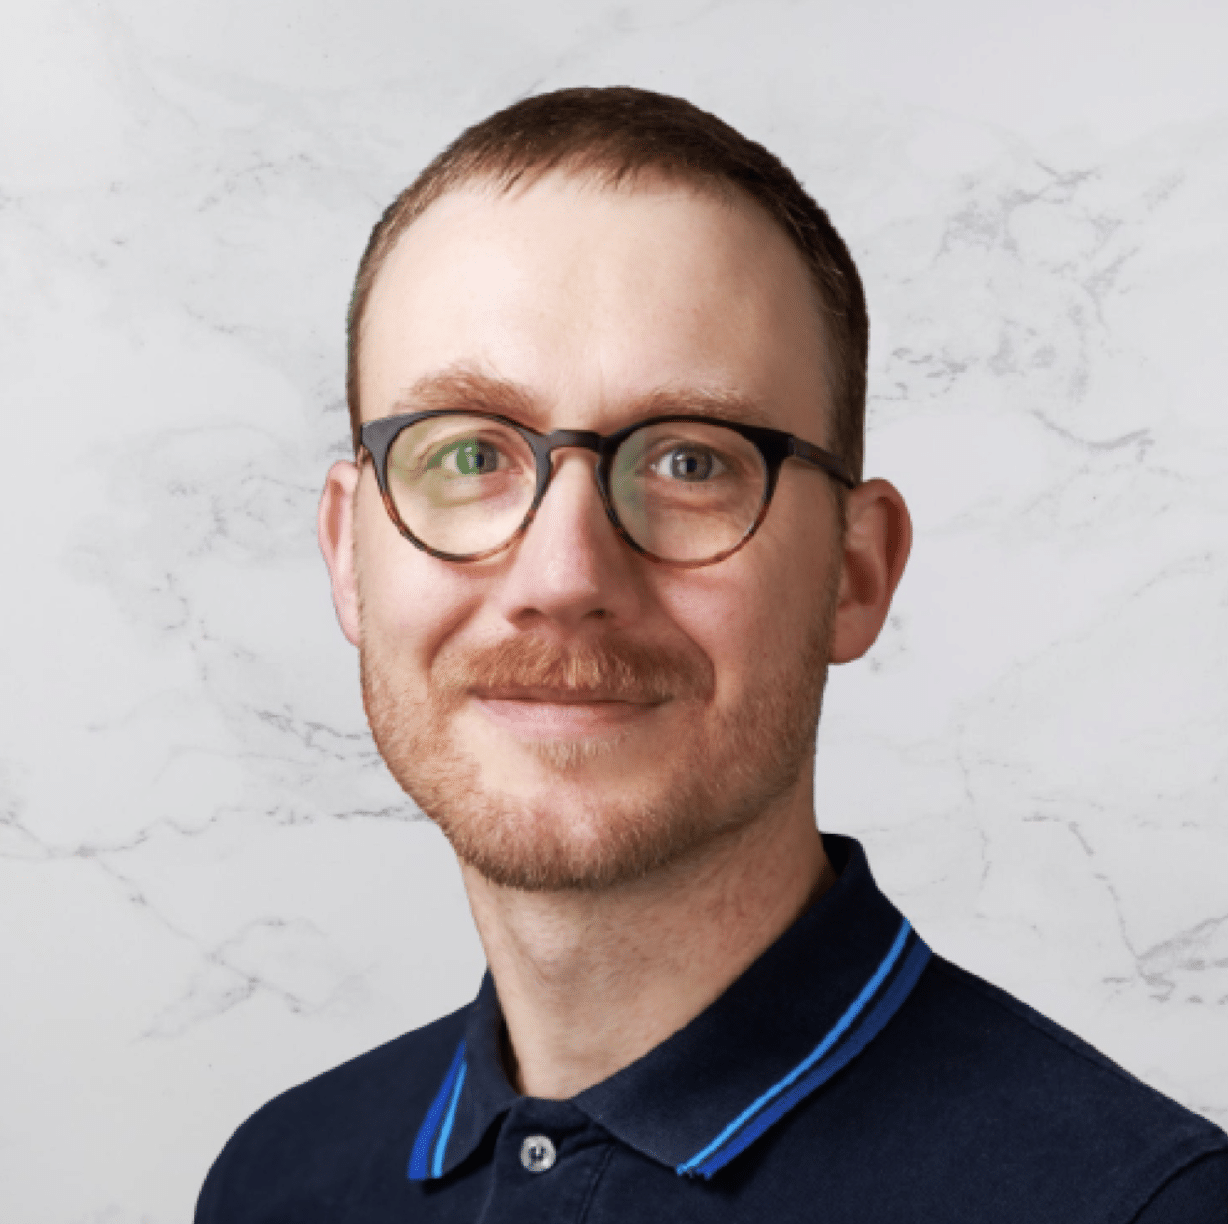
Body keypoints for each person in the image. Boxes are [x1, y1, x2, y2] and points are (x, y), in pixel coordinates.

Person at [194, 87, 1227, 1222]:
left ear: (855, 571)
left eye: (689, 461)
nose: (564, 578)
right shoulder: (277, 1183)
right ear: (349, 555)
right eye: (468, 454)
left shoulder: (1137, 1208)